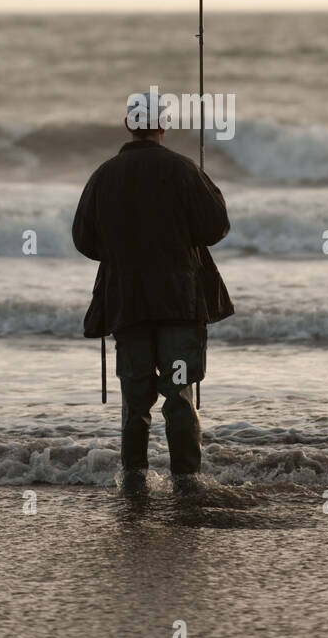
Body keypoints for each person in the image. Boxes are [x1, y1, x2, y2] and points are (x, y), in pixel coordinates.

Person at [72, 94, 234, 492]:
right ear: (164, 126)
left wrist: (119, 255)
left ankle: (133, 480)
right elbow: (216, 227)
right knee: (178, 392)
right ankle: (187, 481)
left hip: (128, 303)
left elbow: (84, 239)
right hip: (179, 303)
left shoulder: (104, 175)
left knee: (135, 397)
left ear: (129, 124)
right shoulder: (183, 170)